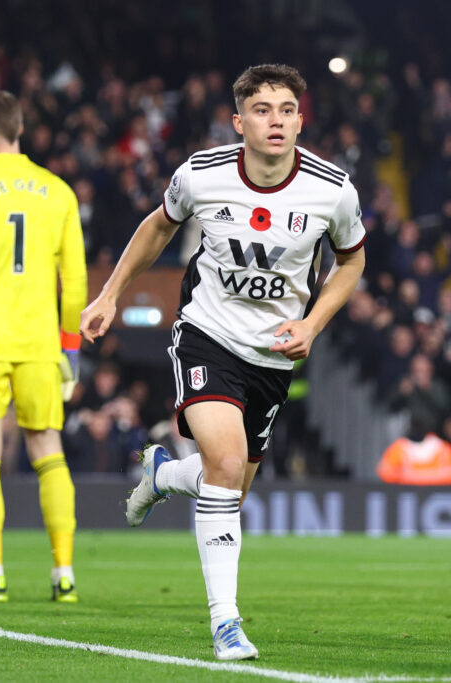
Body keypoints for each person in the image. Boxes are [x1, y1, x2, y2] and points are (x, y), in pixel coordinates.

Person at [80, 64, 366, 660]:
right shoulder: (202, 174)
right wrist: (109, 293)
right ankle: (226, 623)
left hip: (274, 356)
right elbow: (158, 228)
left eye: (287, 109)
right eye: (263, 110)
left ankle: (163, 476)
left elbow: (352, 262)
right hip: (206, 334)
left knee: (228, 489)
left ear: (300, 119)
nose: (277, 121)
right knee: (228, 461)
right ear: (239, 122)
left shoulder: (332, 188)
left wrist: (312, 324)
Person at [0, 90, 87, 603]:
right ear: (20, 127)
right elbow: (73, 283)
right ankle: (64, 574)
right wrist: (69, 350)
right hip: (39, 341)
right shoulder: (59, 192)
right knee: (48, 451)